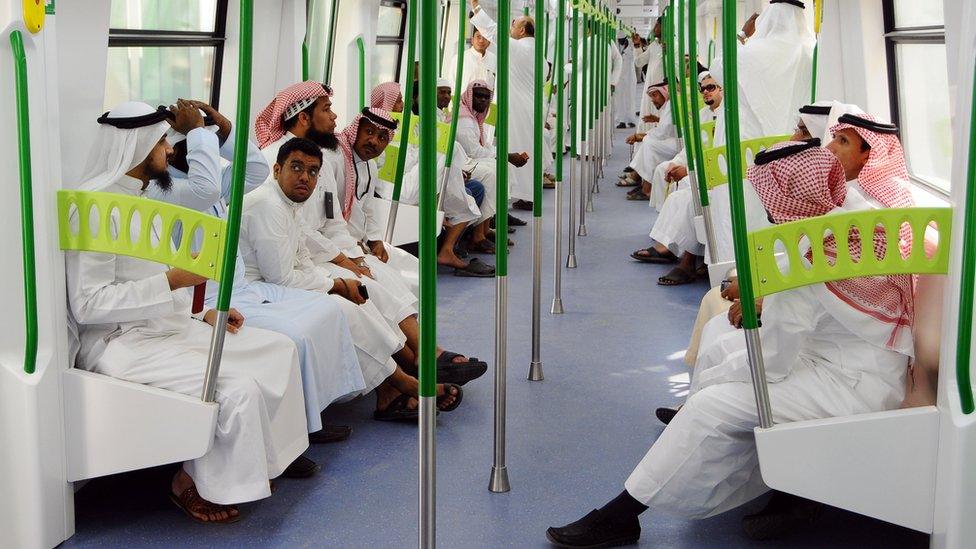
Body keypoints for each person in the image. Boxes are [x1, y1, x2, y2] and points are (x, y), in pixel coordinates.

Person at [546, 142, 913, 546]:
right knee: (723, 345)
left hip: (851, 385)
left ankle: (622, 515)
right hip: (855, 363)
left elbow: (774, 360)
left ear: (789, 197)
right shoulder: (843, 222)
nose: (767, 208)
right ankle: (766, 475)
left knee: (712, 404)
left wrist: (721, 379)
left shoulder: (817, 250)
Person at [66, 101, 310, 524]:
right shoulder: (96, 208)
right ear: (139, 146)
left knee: (278, 349)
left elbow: (154, 276)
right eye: (161, 141)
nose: (167, 150)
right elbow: (90, 305)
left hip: (164, 324)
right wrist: (174, 283)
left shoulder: (145, 196)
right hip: (119, 342)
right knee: (237, 387)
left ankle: (266, 461)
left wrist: (203, 314)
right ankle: (192, 482)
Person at [158, 104, 366, 445]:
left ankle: (314, 414)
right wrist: (197, 131)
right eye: (199, 147)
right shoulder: (172, 190)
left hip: (240, 286)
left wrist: (224, 128)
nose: (208, 155)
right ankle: (299, 431)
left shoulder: (208, 186)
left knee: (328, 311)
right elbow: (205, 190)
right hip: (207, 297)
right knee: (294, 339)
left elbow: (255, 169)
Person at [242, 137, 489, 420]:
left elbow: (308, 234)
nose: (305, 177)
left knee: (365, 287)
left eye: (312, 172)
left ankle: (411, 367)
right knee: (346, 308)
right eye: (296, 168)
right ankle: (401, 383)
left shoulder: (286, 199)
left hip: (295, 273)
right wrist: (337, 284)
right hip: (257, 290)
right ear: (276, 170)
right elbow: (281, 278)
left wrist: (344, 262)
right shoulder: (267, 205)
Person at [255, 81, 421, 300]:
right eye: (326, 109)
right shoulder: (272, 160)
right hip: (300, 261)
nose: (334, 116)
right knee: (374, 291)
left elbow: (334, 220)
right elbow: (299, 230)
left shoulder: (320, 158)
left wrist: (355, 253)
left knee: (399, 279)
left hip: (325, 252)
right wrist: (344, 258)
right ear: (304, 118)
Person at [372, 81, 495, 276]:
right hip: (394, 189)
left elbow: (413, 154)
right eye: (397, 102)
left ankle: (448, 241)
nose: (402, 105)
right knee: (450, 152)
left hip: (409, 178)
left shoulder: (404, 124)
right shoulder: (374, 133)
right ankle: (451, 219)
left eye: (402, 100)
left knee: (467, 187)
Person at [470, 0, 535, 211]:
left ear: (522, 30)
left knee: (515, 150)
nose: (510, 29)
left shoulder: (519, 48)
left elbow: (493, 31)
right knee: (524, 149)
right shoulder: (538, 53)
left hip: (515, 107)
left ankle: (521, 195)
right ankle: (522, 193)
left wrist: (477, 9)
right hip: (530, 106)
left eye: (514, 25)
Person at [454, 80, 529, 253]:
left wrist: (506, 156)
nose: (482, 100)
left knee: (500, 168)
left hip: (469, 159)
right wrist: (508, 156)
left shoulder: (473, 117)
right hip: (463, 162)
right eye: (478, 96)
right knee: (491, 174)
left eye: (486, 97)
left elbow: (484, 146)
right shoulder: (464, 119)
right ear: (470, 96)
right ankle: (477, 235)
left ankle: (485, 228)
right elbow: (474, 151)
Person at [622, 83, 678, 202]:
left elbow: (663, 132)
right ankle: (639, 179)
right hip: (674, 139)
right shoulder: (668, 105)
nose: (653, 100)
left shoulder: (672, 104)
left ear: (664, 93)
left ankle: (646, 188)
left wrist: (640, 136)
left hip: (680, 143)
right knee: (649, 141)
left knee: (649, 144)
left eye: (655, 95)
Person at [446, 24, 497, 90]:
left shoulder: (494, 60)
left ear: (489, 42)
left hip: (487, 100)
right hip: (464, 100)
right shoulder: (459, 59)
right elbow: (452, 85)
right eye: (478, 37)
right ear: (472, 40)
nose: (481, 40)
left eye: (485, 37)